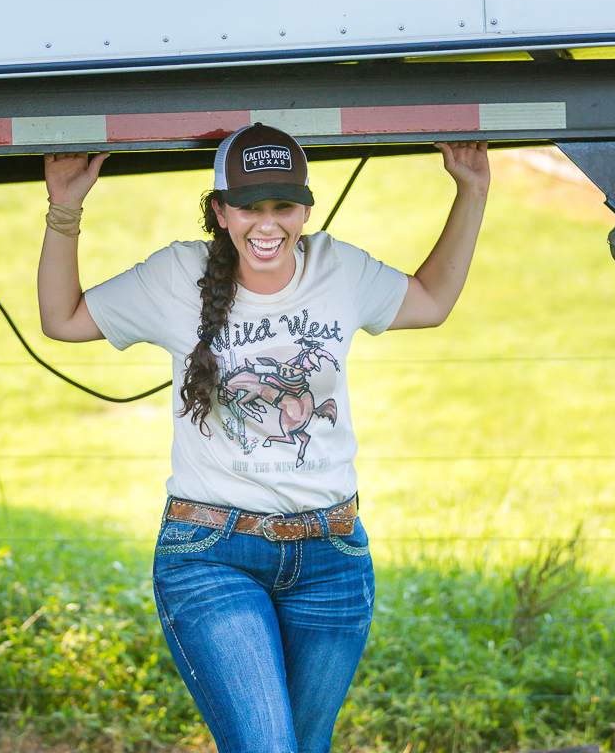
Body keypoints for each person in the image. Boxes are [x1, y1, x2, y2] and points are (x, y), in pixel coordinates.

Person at [37, 124, 489, 753]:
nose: (266, 223)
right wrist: (65, 210)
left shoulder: (339, 269)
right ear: (220, 211)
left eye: (284, 205)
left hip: (331, 558)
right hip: (213, 552)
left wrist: (473, 191)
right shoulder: (179, 275)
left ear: (306, 209)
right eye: (249, 205)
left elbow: (433, 300)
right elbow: (62, 319)